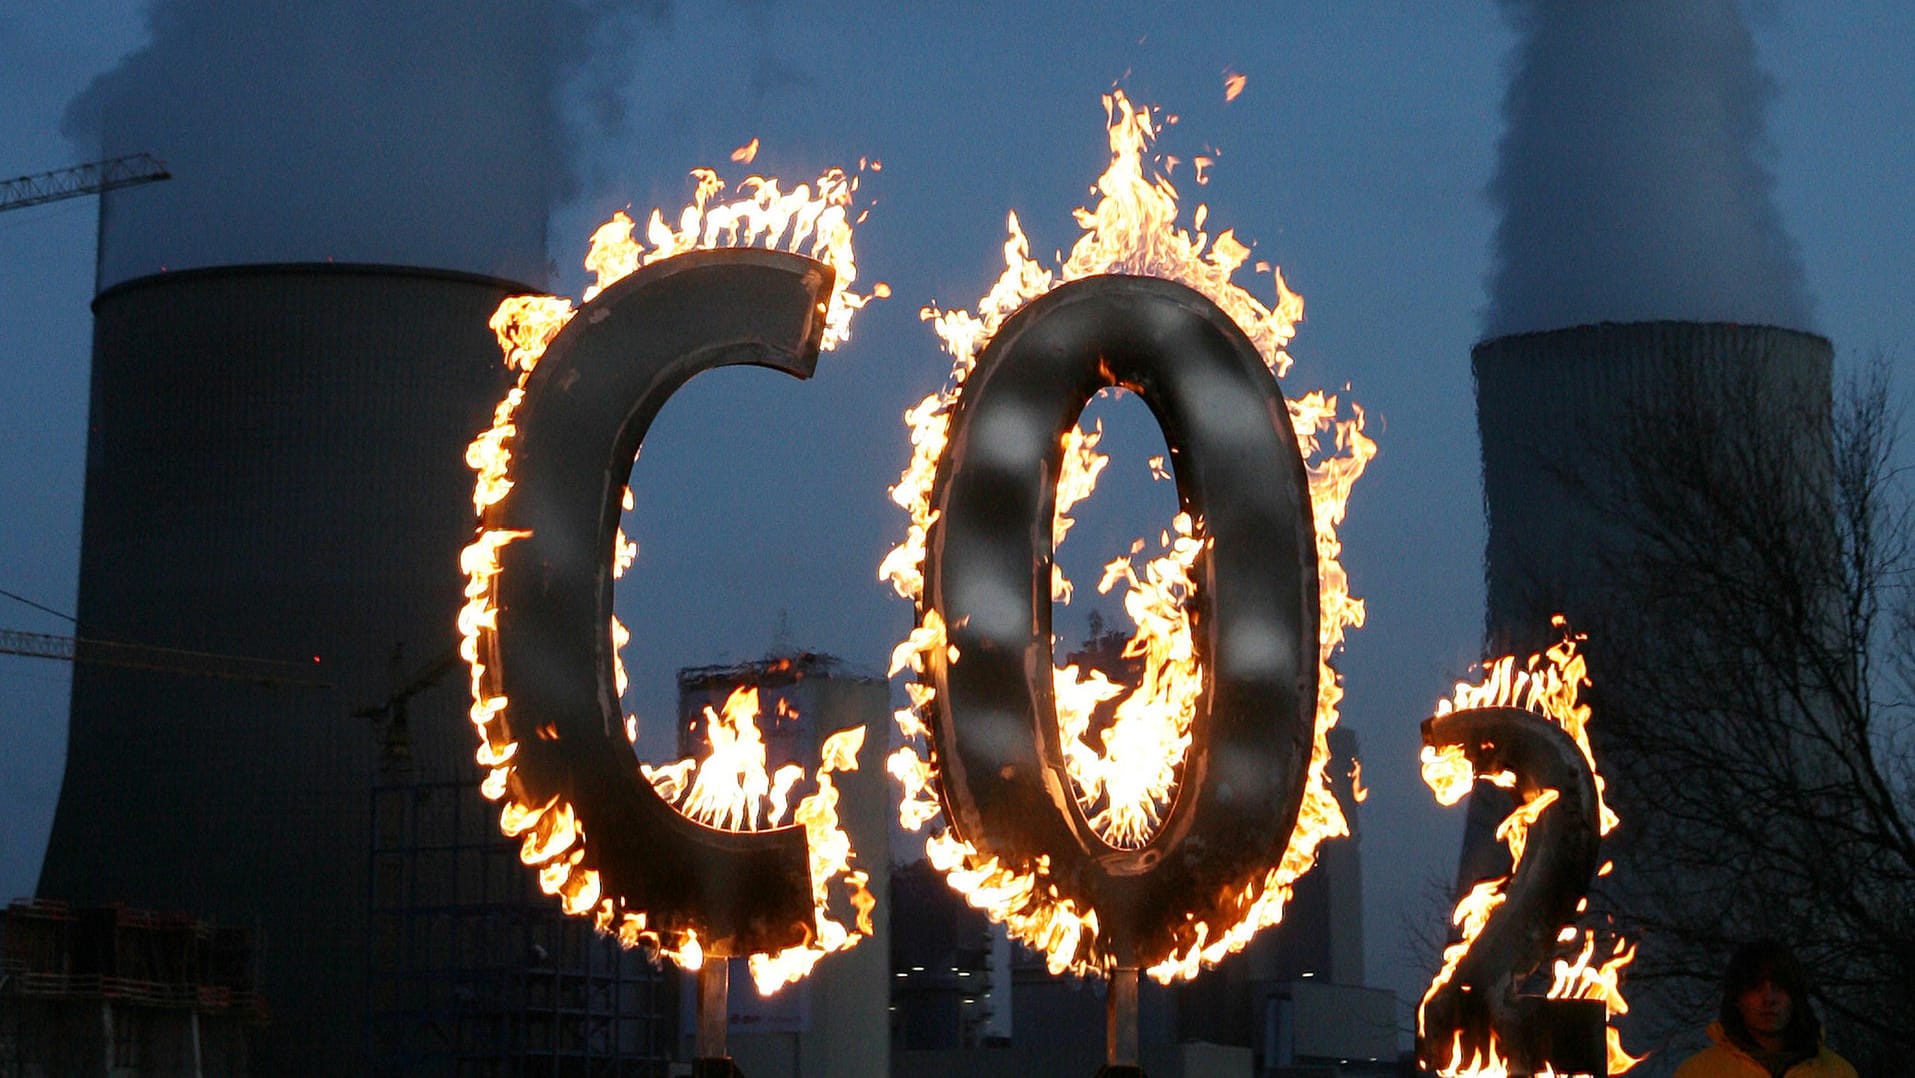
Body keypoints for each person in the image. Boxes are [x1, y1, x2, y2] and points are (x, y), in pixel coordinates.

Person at [1672, 939, 1857, 1078]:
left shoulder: (1837, 1073)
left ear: (1794, 995)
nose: (1769, 999)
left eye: (1780, 986)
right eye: (1755, 987)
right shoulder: (1699, 1073)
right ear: (1737, 998)